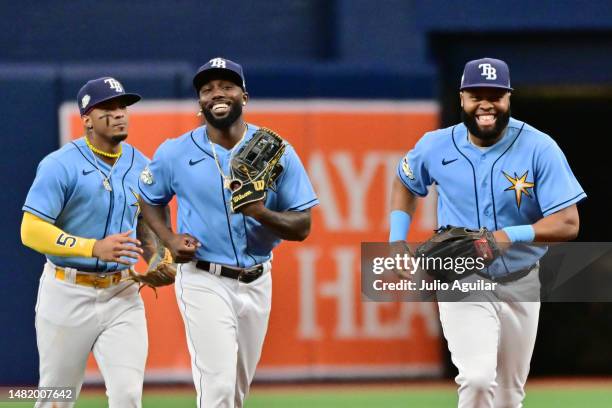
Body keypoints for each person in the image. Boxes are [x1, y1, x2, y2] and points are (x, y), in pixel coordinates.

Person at [389, 58, 585, 407]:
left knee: (509, 395)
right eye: (476, 94)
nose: (486, 104)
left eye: (495, 95)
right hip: (463, 277)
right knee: (478, 380)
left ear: (508, 99)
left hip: (521, 278)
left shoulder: (539, 147)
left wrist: (509, 235)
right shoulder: (436, 145)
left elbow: (568, 223)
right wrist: (396, 238)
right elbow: (405, 182)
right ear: (461, 98)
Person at [138, 57, 318, 408]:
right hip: (203, 278)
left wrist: (259, 212)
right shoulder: (175, 152)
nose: (216, 94)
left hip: (257, 279)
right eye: (207, 90)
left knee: (235, 392)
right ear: (200, 103)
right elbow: (148, 199)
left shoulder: (276, 151)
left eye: (226, 86)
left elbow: (303, 226)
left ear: (244, 96)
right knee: (217, 388)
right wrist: (169, 240)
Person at [21, 77, 158, 407]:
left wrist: (159, 258)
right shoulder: (59, 165)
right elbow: (31, 230)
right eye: (107, 108)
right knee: (57, 398)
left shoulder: (142, 165)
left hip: (121, 292)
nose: (119, 114)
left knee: (127, 396)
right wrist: (91, 247)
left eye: (122, 107)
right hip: (67, 292)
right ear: (86, 119)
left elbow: (147, 224)